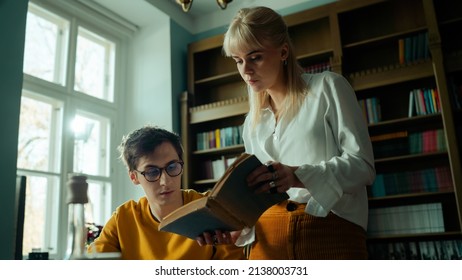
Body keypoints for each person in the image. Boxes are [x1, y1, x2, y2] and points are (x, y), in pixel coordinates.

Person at [199, 6, 376, 259]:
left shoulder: (328, 88)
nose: (245, 70)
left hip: (329, 233)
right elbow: (256, 197)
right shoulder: (251, 123)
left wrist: (297, 175)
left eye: (255, 57)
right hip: (267, 242)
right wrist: (233, 227)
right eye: (238, 61)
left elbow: (363, 167)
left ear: (283, 51)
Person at [88, 125, 245, 260]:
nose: (165, 181)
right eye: (152, 172)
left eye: (172, 167)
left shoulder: (210, 208)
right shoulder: (123, 218)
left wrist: (231, 243)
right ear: (134, 177)